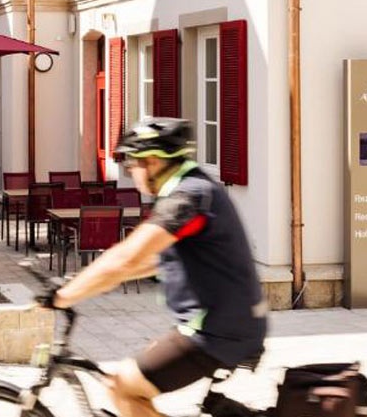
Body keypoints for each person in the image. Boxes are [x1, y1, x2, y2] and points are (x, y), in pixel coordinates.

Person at [42, 117, 268, 417]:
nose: (130, 171)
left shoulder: (188, 198)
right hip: (221, 326)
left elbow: (127, 258)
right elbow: (150, 261)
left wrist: (62, 296)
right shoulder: (193, 189)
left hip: (216, 332)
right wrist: (85, 282)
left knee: (124, 387)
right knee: (120, 382)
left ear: (152, 161)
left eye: (132, 164)